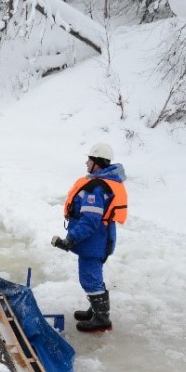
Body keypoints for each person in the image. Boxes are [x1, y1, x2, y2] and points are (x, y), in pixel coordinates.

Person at [51, 142, 128, 333]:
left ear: (97, 163)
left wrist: (71, 239)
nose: (86, 163)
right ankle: (96, 309)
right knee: (93, 276)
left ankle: (102, 319)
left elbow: (91, 221)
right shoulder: (101, 184)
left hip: (94, 243)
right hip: (100, 240)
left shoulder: (96, 189)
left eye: (90, 159)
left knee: (89, 278)